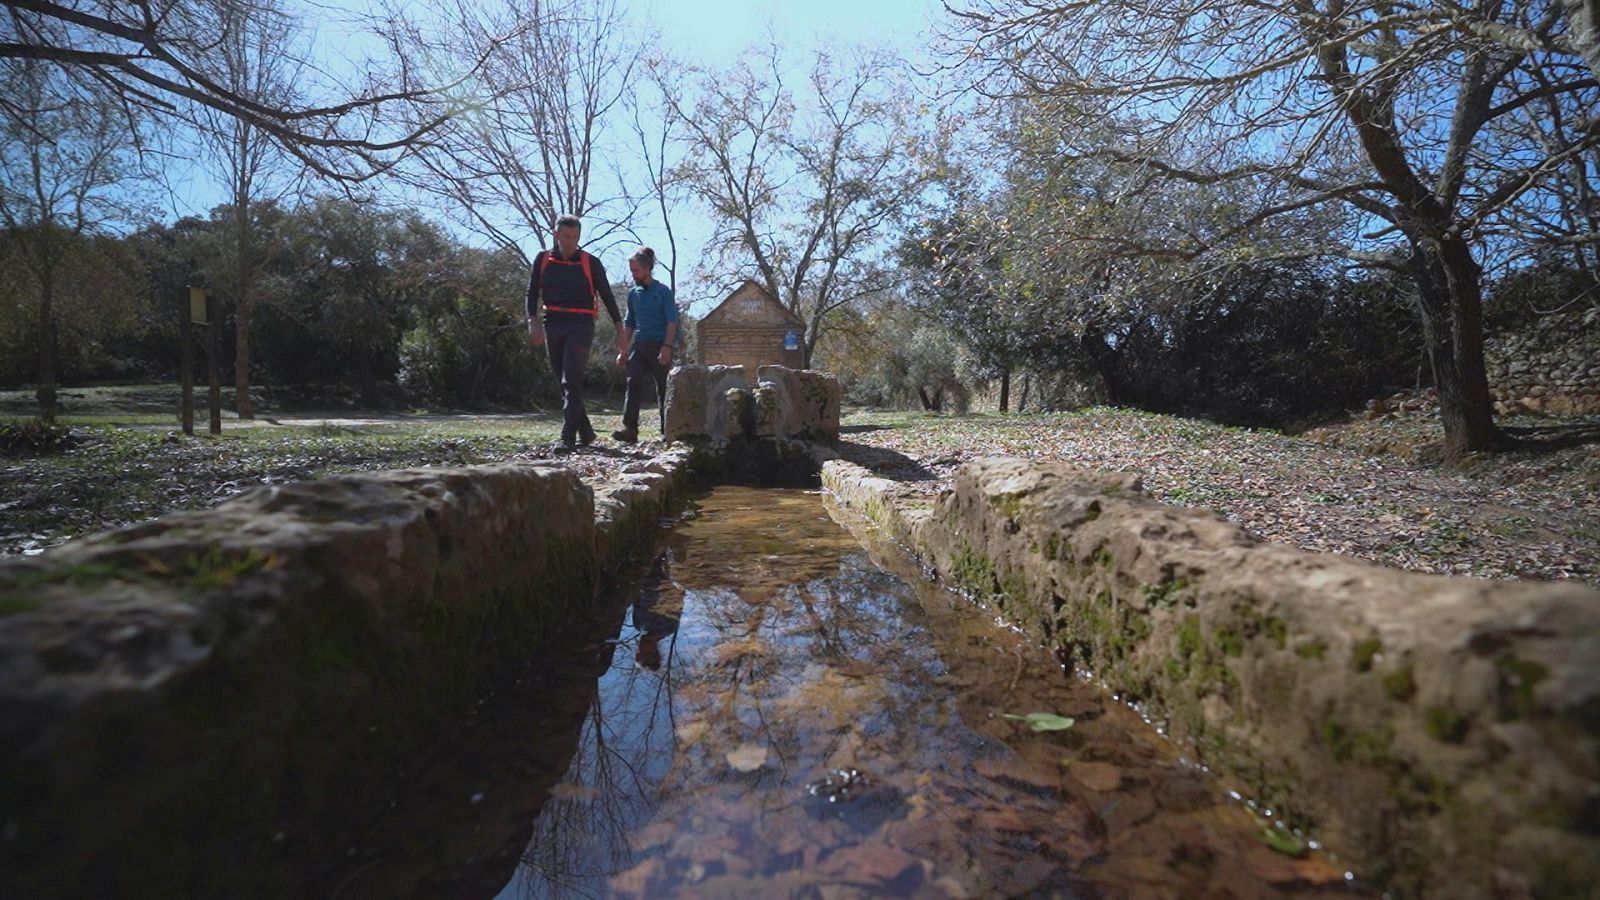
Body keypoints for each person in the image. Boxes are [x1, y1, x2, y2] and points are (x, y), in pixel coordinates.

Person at [526, 215, 626, 448]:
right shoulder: (542, 260)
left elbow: (608, 297)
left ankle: (567, 437)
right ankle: (587, 432)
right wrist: (532, 320)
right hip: (553, 321)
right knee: (562, 381)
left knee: (571, 379)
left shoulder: (591, 263)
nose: (570, 242)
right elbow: (531, 292)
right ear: (556, 235)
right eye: (565, 236)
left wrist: (619, 328)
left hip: (581, 324)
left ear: (579, 237)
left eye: (574, 237)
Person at [611, 246, 678, 443]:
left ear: (647, 268)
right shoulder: (634, 294)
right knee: (633, 383)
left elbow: (671, 321)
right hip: (640, 346)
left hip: (660, 345)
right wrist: (623, 350)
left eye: (635, 270)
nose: (633, 274)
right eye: (631, 271)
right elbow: (629, 323)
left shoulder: (663, 291)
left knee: (664, 388)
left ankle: (668, 430)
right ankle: (630, 429)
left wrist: (667, 346)